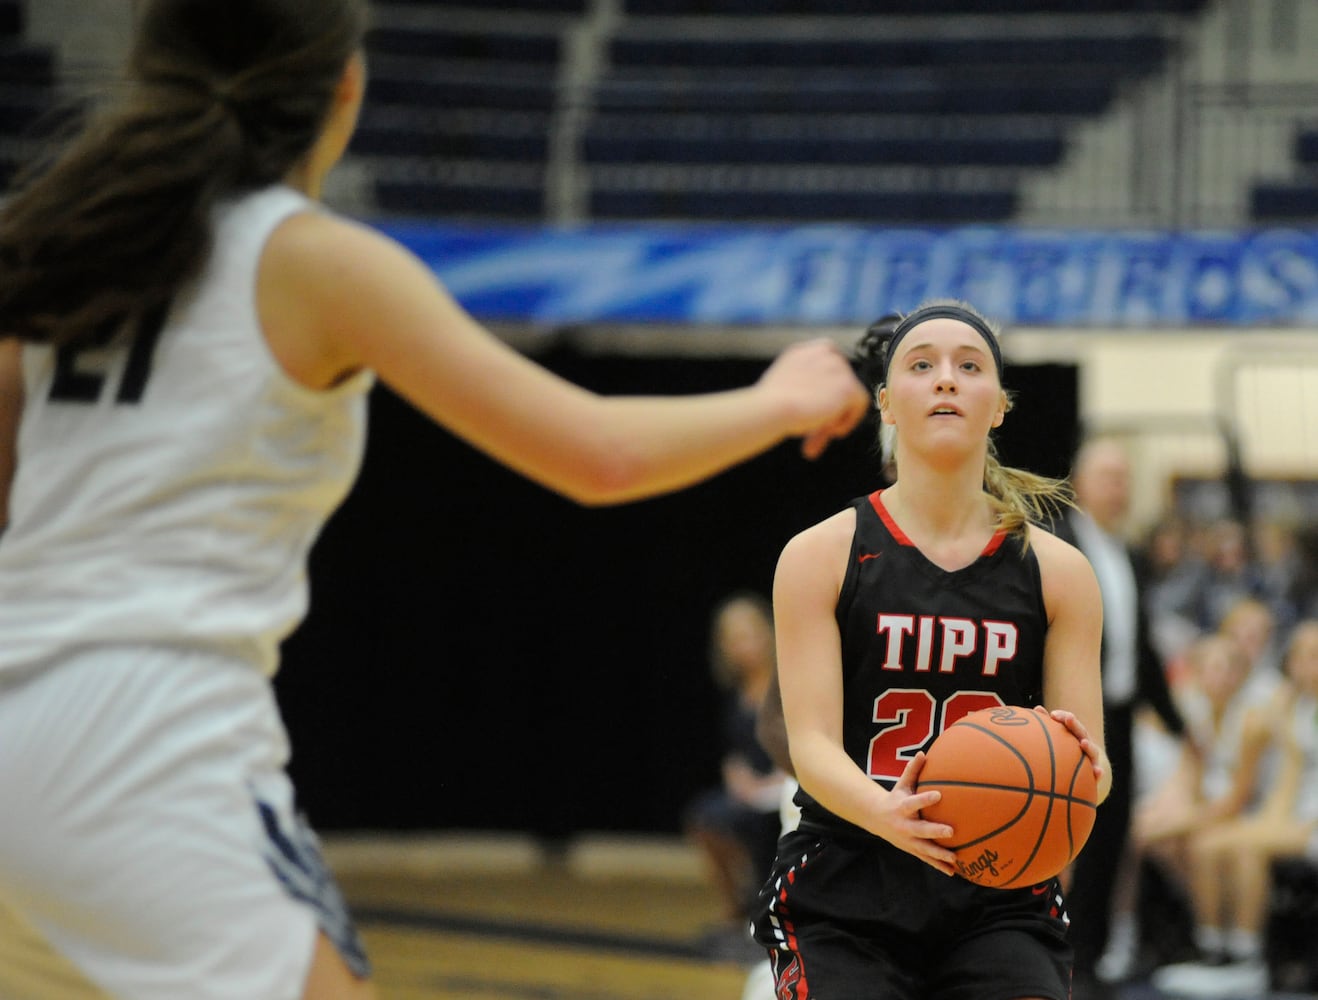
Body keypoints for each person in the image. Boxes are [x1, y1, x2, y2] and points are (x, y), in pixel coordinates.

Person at [0, 2, 872, 998]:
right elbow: (596, 454)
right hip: (143, 732)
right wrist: (774, 400)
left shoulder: (57, 245)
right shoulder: (310, 256)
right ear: (345, 90)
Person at [748, 301, 1111, 1000]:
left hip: (999, 892)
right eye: (922, 365)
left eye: (969, 366)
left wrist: (1089, 779)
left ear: (1000, 405)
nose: (946, 380)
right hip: (850, 878)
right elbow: (811, 743)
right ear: (885, 401)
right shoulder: (821, 555)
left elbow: (1088, 767)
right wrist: (888, 814)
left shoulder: (1060, 572)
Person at [1049, 436, 1186, 992]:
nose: (1119, 487)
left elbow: (1143, 649)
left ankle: (1096, 958)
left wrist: (1179, 725)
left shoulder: (1129, 552)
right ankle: (1060, 960)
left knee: (1113, 837)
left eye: (1126, 477)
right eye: (1109, 476)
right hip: (1072, 716)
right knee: (1070, 839)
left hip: (1122, 717)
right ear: (1080, 482)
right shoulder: (1057, 545)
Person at [1150, 619, 1318, 1000]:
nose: (1308, 664)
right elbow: (1287, 784)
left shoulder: (1264, 713)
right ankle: (1219, 952)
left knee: (1238, 846)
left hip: (1311, 819)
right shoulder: (1295, 705)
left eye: (1315, 656)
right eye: (1303, 656)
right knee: (1214, 843)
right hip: (1298, 813)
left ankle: (1246, 960)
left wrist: (1266, 826)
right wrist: (1269, 823)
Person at [684, 592, 788, 932]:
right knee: (705, 816)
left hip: (788, 786)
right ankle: (736, 906)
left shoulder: (788, 682)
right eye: (733, 639)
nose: (743, 646)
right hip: (753, 789)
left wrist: (773, 783)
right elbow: (735, 751)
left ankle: (770, 901)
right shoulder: (736, 692)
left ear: (767, 633)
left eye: (748, 634)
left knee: (763, 823)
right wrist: (737, 776)